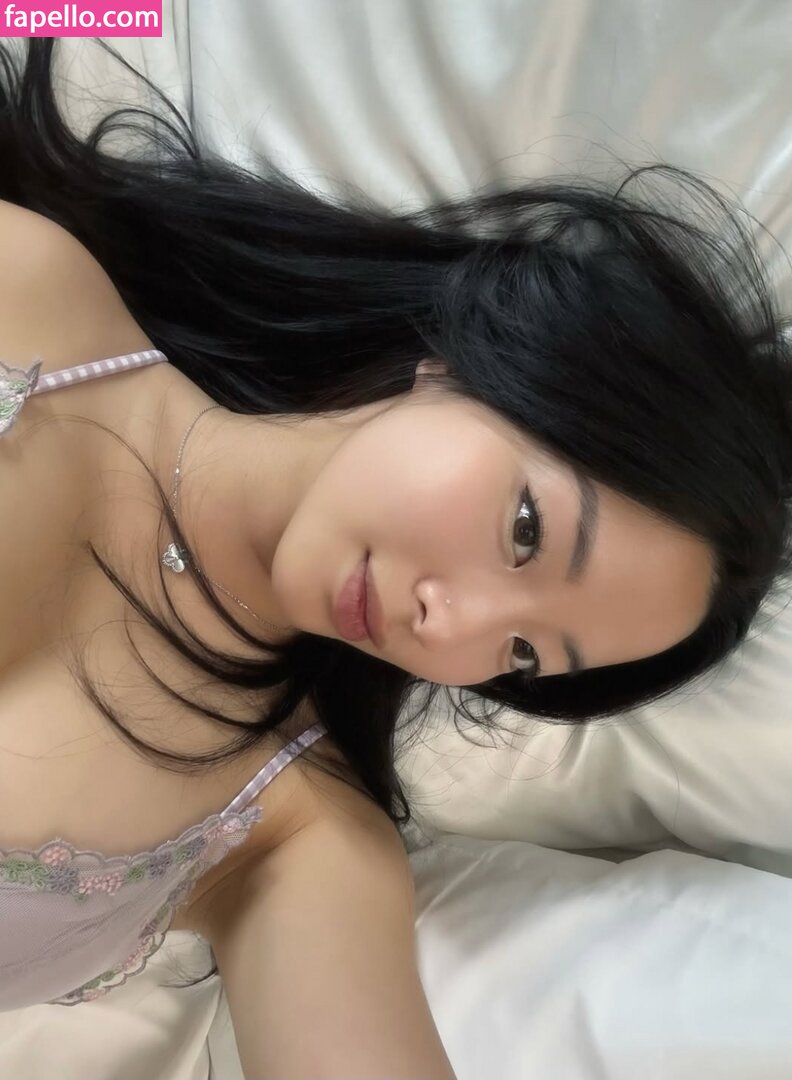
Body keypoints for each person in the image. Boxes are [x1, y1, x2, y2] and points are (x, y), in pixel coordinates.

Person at [0, 34, 790, 1076]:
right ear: (466, 362)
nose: (450, 625)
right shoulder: (32, 298)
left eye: (523, 653)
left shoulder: (296, 837)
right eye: (525, 531)